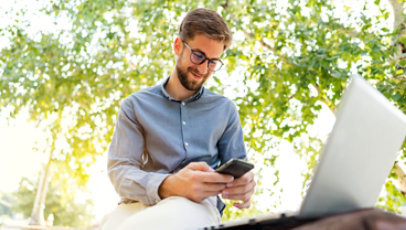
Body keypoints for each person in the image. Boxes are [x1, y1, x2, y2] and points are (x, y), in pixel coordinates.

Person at [102, 8, 256, 230]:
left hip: (196, 206)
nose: (203, 69)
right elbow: (120, 171)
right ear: (178, 46)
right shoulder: (135, 106)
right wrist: (168, 185)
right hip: (137, 204)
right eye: (198, 56)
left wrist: (246, 184)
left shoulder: (225, 111)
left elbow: (239, 171)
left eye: (213, 62)